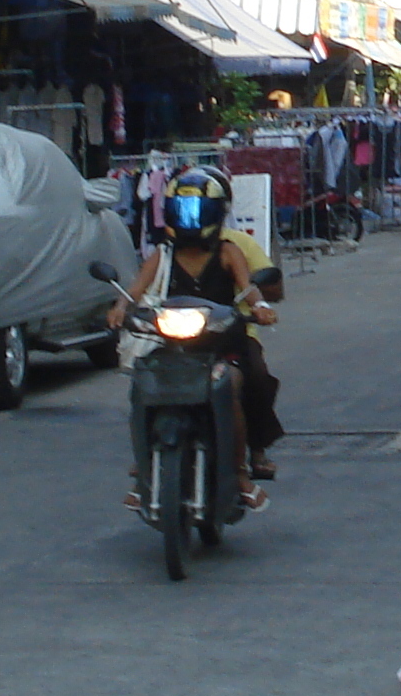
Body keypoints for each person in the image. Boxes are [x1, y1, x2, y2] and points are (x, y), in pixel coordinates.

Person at [109, 164, 283, 506]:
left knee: (232, 385)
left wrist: (259, 307)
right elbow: (136, 289)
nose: (190, 220)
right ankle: (144, 470)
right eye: (183, 211)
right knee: (142, 388)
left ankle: (240, 473)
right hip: (173, 342)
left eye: (198, 212)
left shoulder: (230, 251)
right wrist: (120, 307)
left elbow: (250, 290)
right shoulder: (162, 254)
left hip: (221, 342)